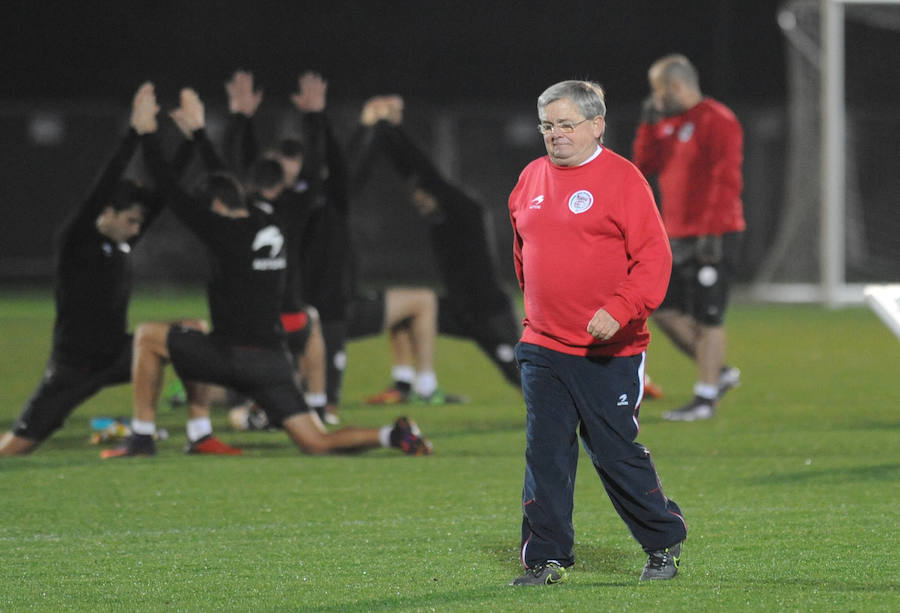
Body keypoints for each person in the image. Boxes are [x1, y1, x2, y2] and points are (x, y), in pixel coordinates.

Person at [101, 85, 431, 458]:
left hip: (228, 355)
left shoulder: (224, 231)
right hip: (272, 360)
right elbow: (229, 180)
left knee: (150, 336)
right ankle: (392, 435)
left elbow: (173, 191)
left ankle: (144, 436)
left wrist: (149, 135)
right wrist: (200, 134)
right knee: (315, 442)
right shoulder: (274, 223)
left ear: (219, 207)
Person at [507, 80, 686, 585]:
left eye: (566, 124)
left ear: (596, 125)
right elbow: (522, 255)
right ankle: (545, 557)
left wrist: (621, 308)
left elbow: (654, 258)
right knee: (545, 453)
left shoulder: (623, 180)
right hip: (542, 345)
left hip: (610, 349)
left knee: (613, 452)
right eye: (547, 125)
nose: (555, 135)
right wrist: (537, 314)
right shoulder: (530, 179)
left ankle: (663, 544)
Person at [0, 83, 207, 456]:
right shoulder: (77, 240)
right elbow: (102, 185)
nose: (135, 228)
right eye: (128, 220)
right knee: (15, 448)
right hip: (72, 369)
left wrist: (191, 141)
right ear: (106, 214)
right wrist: (134, 133)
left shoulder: (120, 239)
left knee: (189, 333)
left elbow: (163, 197)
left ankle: (182, 432)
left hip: (117, 354)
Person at [349, 95, 523, 402]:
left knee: (522, 378)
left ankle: (576, 404)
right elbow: (411, 172)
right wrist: (384, 131)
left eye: (422, 194)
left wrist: (390, 129)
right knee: (401, 309)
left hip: (488, 313)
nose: (417, 199)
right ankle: (409, 386)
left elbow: (422, 168)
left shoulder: (464, 212)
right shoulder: (439, 219)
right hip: (458, 308)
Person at [632, 54, 745, 422]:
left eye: (659, 92)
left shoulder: (719, 121)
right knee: (662, 309)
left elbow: (725, 180)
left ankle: (706, 397)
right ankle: (720, 372)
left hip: (713, 234)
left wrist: (712, 231)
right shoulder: (667, 125)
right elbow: (643, 165)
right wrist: (649, 124)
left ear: (676, 86)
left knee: (709, 317)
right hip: (674, 235)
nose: (657, 99)